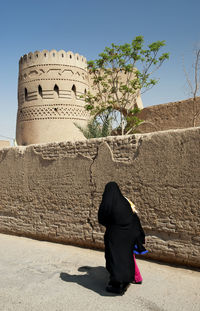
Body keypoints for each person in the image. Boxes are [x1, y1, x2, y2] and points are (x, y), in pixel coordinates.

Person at [98, 181, 147, 295]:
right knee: (127, 258)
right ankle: (130, 279)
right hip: (129, 235)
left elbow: (102, 218)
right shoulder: (125, 201)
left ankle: (117, 286)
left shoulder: (108, 203)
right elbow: (133, 216)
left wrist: (111, 225)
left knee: (116, 259)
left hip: (115, 236)